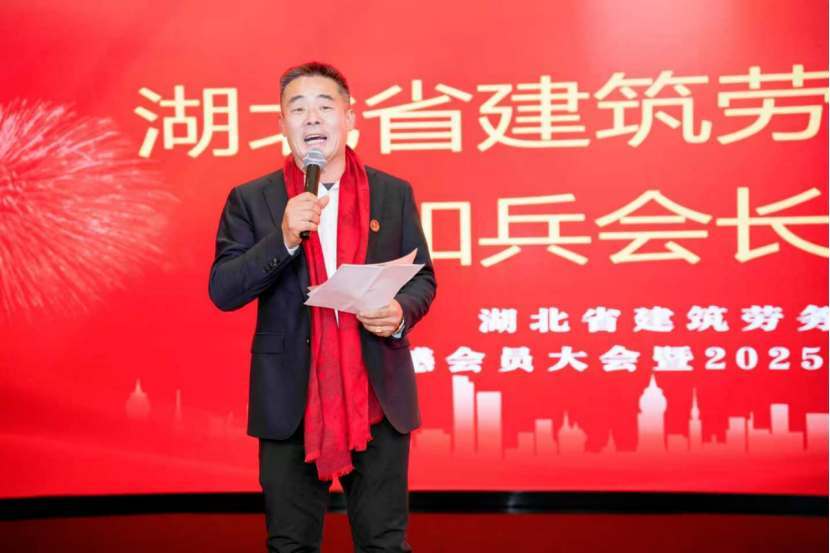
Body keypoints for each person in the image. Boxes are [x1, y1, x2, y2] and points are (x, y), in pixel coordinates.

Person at [208, 61, 436, 553]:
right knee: (290, 545)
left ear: (349, 118)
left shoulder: (392, 194)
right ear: (282, 124)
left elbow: (422, 278)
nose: (312, 118)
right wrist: (285, 238)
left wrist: (399, 313)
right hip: (290, 400)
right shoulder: (252, 199)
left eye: (325, 107)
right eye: (298, 109)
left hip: (376, 396)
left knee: (385, 544)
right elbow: (223, 290)